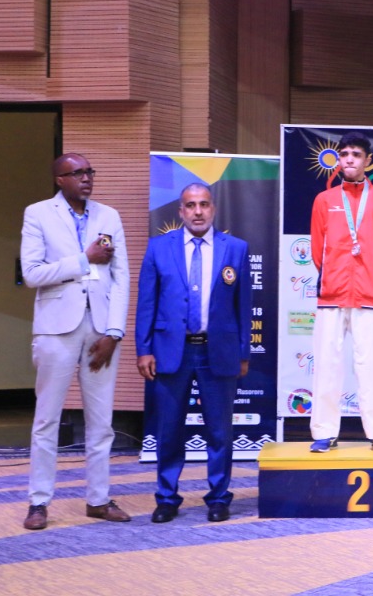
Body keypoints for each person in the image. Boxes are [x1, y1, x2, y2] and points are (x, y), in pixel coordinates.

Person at [20, 153, 131, 530]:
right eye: (77, 173)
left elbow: (121, 277)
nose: (86, 178)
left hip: (100, 331)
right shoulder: (37, 214)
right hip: (56, 329)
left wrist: (114, 333)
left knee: (101, 423)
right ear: (59, 180)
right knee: (47, 419)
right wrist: (84, 259)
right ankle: (39, 502)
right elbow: (32, 273)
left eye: (89, 171)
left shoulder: (108, 216)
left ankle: (98, 499)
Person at [136, 183, 252, 523]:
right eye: (190, 205)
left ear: (213, 209)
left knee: (219, 430)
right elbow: (147, 304)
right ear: (181, 211)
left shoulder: (236, 249)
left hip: (219, 352)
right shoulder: (158, 248)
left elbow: (244, 305)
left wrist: (243, 352)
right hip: (172, 353)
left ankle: (218, 497)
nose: (197, 211)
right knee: (169, 429)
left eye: (203, 204)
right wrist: (144, 350)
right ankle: (167, 497)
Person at [309, 132, 373, 454]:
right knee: (326, 365)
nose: (349, 159)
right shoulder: (324, 200)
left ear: (367, 161)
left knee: (372, 366)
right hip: (332, 292)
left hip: (369, 294)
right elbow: (316, 249)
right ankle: (323, 432)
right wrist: (332, 275)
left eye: (356, 154)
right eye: (344, 153)